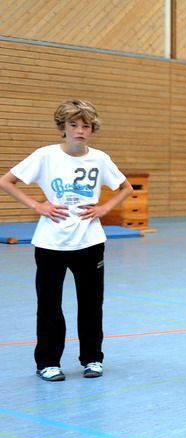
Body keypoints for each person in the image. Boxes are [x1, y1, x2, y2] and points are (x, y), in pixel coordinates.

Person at [0, 99, 134, 381]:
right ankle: (48, 362)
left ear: (92, 128)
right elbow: (6, 181)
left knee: (91, 303)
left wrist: (104, 209)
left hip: (90, 241)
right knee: (49, 305)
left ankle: (92, 359)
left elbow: (125, 187)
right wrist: (37, 206)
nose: (80, 131)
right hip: (51, 243)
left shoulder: (99, 158)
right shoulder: (45, 156)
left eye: (85, 125)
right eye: (73, 125)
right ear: (63, 127)